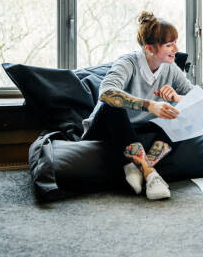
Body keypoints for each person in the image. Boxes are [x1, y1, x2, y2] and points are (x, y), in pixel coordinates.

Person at [82, 11, 193, 200]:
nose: (176, 48)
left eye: (175, 42)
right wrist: (150, 105)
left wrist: (176, 97)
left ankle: (138, 168)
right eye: (169, 44)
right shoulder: (128, 63)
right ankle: (150, 174)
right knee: (111, 105)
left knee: (182, 114)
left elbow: (197, 99)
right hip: (107, 128)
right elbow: (106, 93)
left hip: (142, 131)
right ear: (149, 48)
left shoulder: (171, 67)